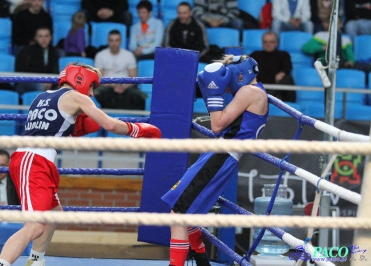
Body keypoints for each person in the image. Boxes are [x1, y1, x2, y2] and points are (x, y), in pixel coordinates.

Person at [0, 63, 161, 266]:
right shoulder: (76, 97)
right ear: (79, 79)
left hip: (37, 161)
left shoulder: (41, 97)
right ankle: (1, 264)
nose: (91, 93)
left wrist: (74, 128)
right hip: (33, 161)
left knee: (54, 215)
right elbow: (109, 124)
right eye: (91, 86)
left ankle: (36, 261)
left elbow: (50, 128)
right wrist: (138, 129)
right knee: (34, 226)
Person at [161, 54, 268, 266]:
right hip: (220, 154)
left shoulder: (249, 91)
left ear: (238, 75)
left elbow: (217, 125)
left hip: (222, 155)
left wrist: (213, 94)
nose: (227, 87)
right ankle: (202, 261)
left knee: (179, 214)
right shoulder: (256, 92)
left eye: (228, 81)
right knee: (185, 211)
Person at [94, 29, 146, 110]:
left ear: (121, 41)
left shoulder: (129, 55)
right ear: (107, 41)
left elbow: (134, 77)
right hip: (107, 87)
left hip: (125, 87)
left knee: (141, 96)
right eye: (111, 40)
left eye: (117, 40)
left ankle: (134, 121)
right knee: (96, 93)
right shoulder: (100, 55)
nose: (114, 43)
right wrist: (113, 85)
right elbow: (98, 78)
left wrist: (123, 87)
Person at [250, 31, 296, 102]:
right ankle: (266, 96)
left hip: (278, 89)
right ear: (262, 43)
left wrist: (282, 73)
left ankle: (266, 97)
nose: (268, 44)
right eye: (265, 42)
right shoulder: (255, 55)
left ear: (276, 43)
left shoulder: (284, 55)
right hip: (261, 88)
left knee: (288, 79)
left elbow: (287, 67)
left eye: (271, 42)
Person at [15, 27, 60, 94]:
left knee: (63, 89)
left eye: (46, 36)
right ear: (35, 38)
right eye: (40, 36)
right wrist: (41, 81)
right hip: (29, 82)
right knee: (40, 87)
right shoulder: (27, 51)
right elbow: (21, 70)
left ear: (51, 38)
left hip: (49, 83)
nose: (44, 39)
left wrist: (50, 82)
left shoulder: (54, 52)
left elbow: (55, 70)